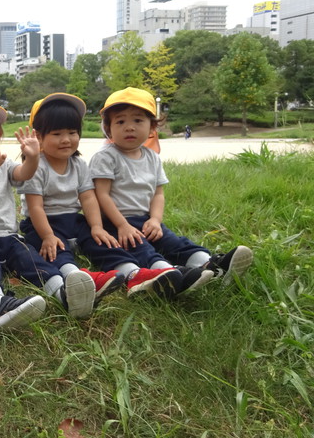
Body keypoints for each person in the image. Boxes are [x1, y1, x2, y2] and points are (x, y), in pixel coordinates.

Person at [20, 93, 188, 300]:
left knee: (104, 242)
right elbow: (35, 207)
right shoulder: (36, 167)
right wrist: (47, 236)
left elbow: (89, 198)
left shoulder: (79, 165)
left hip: (73, 219)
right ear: (37, 137)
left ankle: (133, 273)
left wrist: (97, 227)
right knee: (55, 250)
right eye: (56, 134)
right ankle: (76, 277)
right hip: (43, 224)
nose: (66, 140)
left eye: (72, 132)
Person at [0, 94, 97, 324]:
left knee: (31, 259)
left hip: (8, 234)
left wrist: (33, 158)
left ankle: (61, 291)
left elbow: (23, 174)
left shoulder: (4, 163)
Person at [90, 87, 253, 296]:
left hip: (146, 219)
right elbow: (101, 194)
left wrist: (156, 220)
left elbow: (158, 193)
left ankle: (211, 265)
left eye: (138, 120)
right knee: (141, 248)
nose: (129, 127)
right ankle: (170, 274)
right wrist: (122, 225)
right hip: (115, 222)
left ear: (152, 127)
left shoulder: (152, 157)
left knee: (173, 241)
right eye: (120, 122)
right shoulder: (106, 157)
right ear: (109, 129)